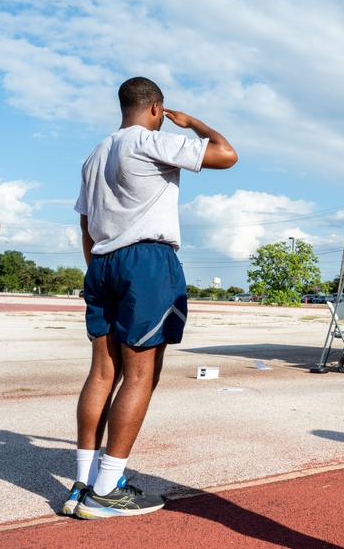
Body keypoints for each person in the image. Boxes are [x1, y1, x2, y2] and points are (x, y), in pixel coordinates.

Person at [65, 77, 237, 519]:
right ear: (156, 109)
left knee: (103, 371)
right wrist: (194, 122)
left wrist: (97, 268)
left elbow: (86, 226)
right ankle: (106, 491)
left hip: (102, 261)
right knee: (141, 375)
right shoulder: (148, 140)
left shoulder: (95, 153)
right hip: (146, 260)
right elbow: (226, 154)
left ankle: (84, 481)